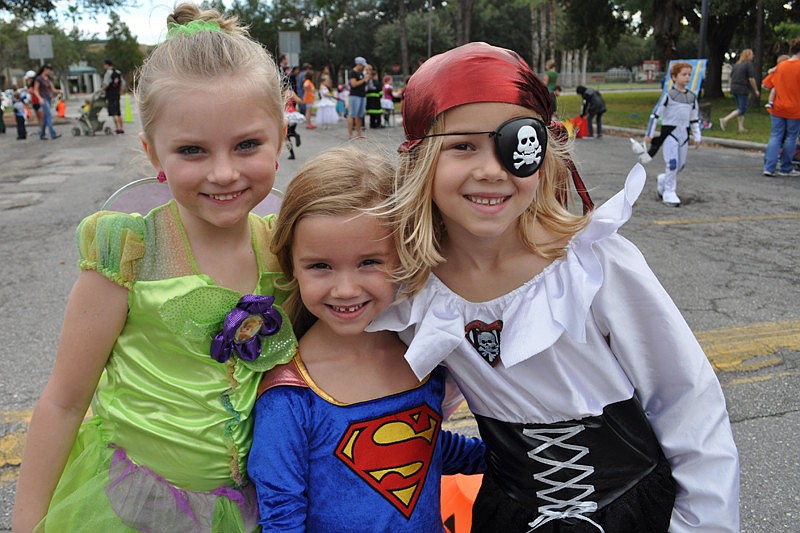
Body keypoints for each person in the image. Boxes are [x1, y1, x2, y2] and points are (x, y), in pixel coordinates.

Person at [369, 42, 739, 532]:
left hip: (632, 513)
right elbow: (409, 397)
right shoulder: (415, 291)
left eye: (513, 143)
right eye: (462, 146)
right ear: (421, 159)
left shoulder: (594, 268)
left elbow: (688, 402)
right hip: (509, 516)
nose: (491, 170)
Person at [11, 4, 297, 532]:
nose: (223, 172)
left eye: (248, 144)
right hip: (136, 508)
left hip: (260, 509)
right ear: (152, 154)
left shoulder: (289, 250)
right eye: (192, 150)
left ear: (281, 136)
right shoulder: (128, 252)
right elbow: (64, 402)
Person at [248, 145, 486, 531]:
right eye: (321, 266)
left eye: (369, 262)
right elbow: (281, 515)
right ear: (291, 263)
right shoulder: (290, 395)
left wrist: (505, 455)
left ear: (405, 253)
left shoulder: (424, 352)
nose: (345, 289)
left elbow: (417, 450)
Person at [644, 61, 702, 207]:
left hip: (684, 135)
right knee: (672, 163)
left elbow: (694, 118)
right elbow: (655, 115)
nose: (687, 77)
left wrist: (697, 136)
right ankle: (669, 192)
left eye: (689, 74)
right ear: (674, 77)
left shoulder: (692, 97)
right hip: (670, 134)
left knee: (680, 165)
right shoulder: (668, 96)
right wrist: (649, 133)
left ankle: (664, 180)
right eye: (684, 74)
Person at [762, 38, 800, 177]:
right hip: (795, 108)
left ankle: (769, 167)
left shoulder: (781, 66)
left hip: (777, 107)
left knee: (775, 136)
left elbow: (767, 84)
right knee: (791, 137)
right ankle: (786, 167)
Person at [719, 49, 760, 133]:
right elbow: (751, 78)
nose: (753, 56)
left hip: (734, 88)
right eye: (751, 54)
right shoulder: (748, 64)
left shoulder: (736, 65)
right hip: (742, 88)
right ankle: (725, 119)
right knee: (742, 108)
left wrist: (731, 87)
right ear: (747, 55)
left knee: (740, 107)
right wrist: (755, 89)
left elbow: (730, 78)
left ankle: (741, 127)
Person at [31, 63, 61, 140]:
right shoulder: (39, 79)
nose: (49, 71)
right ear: (45, 69)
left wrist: (59, 91)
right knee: (49, 116)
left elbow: (53, 89)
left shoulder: (48, 79)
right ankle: (53, 134)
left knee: (45, 118)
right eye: (48, 69)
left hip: (48, 98)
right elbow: (35, 90)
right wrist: (39, 98)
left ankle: (42, 134)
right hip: (43, 99)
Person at [100, 58, 126, 135]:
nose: (103, 66)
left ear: (107, 65)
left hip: (110, 94)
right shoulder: (118, 72)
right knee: (118, 112)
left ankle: (117, 128)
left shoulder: (108, 73)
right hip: (117, 94)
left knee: (113, 112)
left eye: (104, 64)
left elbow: (106, 84)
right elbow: (123, 83)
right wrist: (121, 92)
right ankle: (121, 128)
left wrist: (101, 91)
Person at [347, 56, 369, 139]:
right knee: (352, 115)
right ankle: (350, 134)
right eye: (362, 65)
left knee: (360, 115)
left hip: (362, 95)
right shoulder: (353, 73)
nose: (363, 67)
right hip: (355, 96)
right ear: (358, 64)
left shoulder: (361, 73)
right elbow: (353, 84)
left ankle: (358, 134)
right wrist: (364, 80)